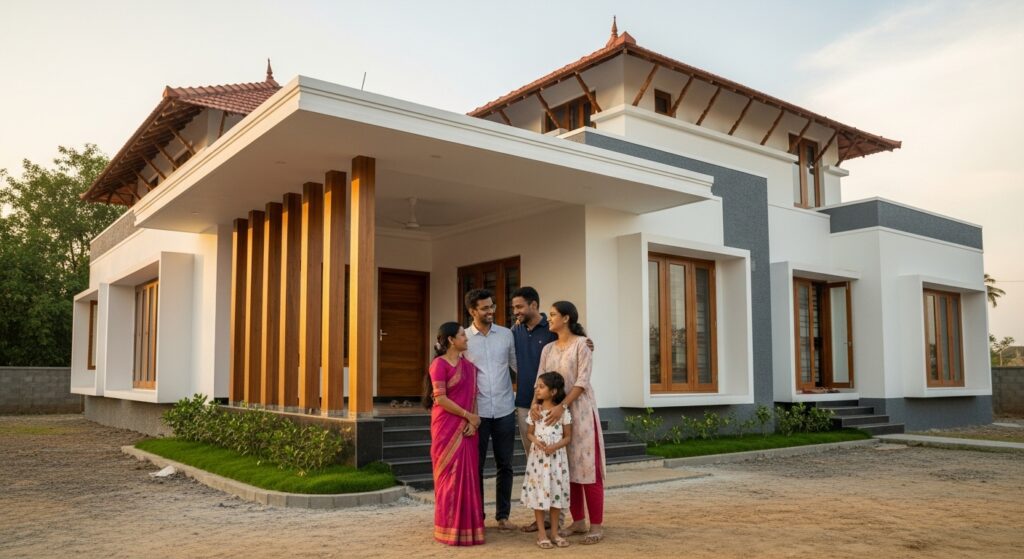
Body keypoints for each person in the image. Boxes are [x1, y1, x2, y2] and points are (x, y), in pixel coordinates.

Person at [538, 300, 607, 545]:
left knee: (588, 467)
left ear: (566, 318)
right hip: (555, 415)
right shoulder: (547, 349)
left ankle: (596, 524)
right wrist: (539, 407)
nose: (549, 318)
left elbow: (582, 381)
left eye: (553, 314)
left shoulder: (581, 345)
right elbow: (540, 381)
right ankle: (578, 521)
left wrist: (562, 406)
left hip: (581, 412)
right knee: (567, 468)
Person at [424, 322, 485, 546]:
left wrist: (475, 421)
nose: (466, 338)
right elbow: (440, 399)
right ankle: (448, 528)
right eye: (462, 335)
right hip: (446, 426)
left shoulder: (469, 367)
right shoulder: (439, 365)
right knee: (449, 479)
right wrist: (468, 415)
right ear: (451, 340)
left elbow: (474, 396)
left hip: (468, 427)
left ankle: (468, 528)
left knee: (468, 477)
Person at [463, 288, 517, 532]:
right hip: (478, 413)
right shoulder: (462, 338)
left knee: (505, 464)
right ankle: (478, 515)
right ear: (472, 311)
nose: (491, 311)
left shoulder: (506, 335)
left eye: (491, 306)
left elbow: (518, 365)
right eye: (485, 308)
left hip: (505, 408)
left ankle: (503, 515)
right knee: (475, 466)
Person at [521, 372, 573, 549]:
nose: (537, 389)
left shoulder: (563, 412)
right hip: (538, 459)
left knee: (555, 492)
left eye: (541, 386)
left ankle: (555, 532)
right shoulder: (535, 411)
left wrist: (555, 446)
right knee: (539, 494)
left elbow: (568, 437)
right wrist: (537, 441)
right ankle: (541, 533)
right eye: (537, 386)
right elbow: (529, 433)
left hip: (556, 460)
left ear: (553, 391)